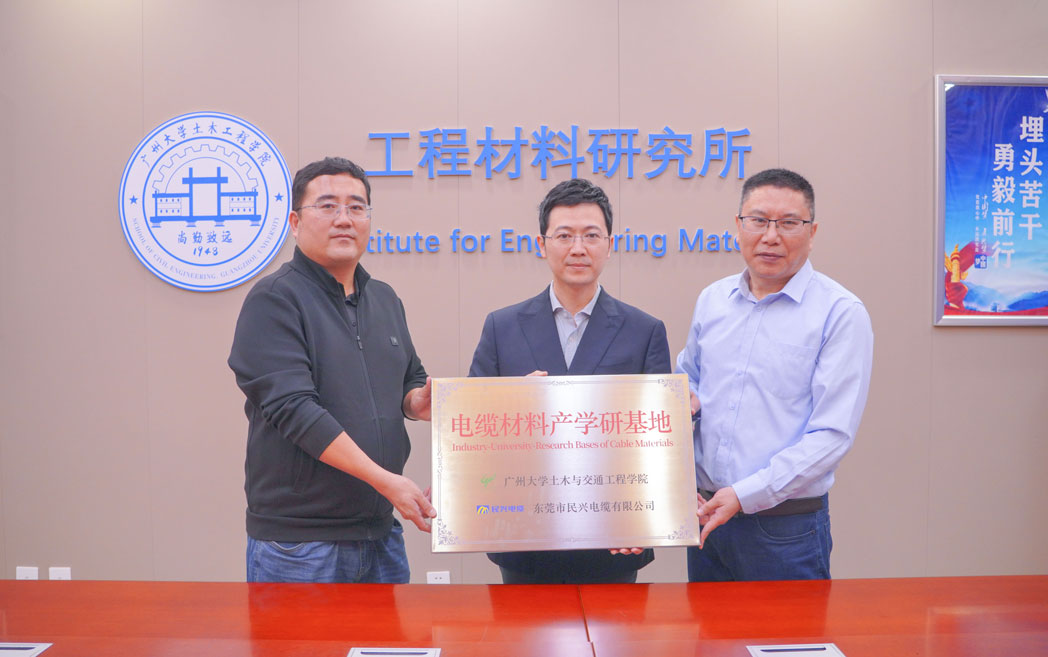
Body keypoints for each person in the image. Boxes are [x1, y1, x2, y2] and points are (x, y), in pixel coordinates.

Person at [229, 157, 436, 583]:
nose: (344, 219)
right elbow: (295, 410)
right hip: (301, 545)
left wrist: (418, 402)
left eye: (356, 207)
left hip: (380, 534)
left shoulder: (384, 299)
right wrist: (386, 481)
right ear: (295, 222)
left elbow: (410, 379)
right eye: (327, 206)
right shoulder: (274, 300)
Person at [468, 178, 671, 584]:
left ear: (609, 245)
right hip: (526, 542)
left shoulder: (644, 330)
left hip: (614, 541)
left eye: (591, 235)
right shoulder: (502, 327)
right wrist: (512, 404)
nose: (578, 248)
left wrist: (646, 519)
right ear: (541, 245)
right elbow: (473, 429)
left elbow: (660, 440)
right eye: (564, 236)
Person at [676, 168, 873, 582]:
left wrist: (745, 495)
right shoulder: (713, 300)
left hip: (785, 529)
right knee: (706, 626)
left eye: (788, 223)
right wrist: (684, 401)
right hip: (707, 518)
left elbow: (831, 435)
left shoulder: (839, 313)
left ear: (812, 232)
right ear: (738, 226)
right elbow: (688, 379)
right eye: (759, 220)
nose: (770, 236)